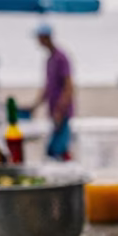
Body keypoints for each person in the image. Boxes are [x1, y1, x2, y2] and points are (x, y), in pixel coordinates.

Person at [30, 24, 74, 160]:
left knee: (57, 150)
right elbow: (48, 88)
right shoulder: (50, 59)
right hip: (53, 110)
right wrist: (34, 106)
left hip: (62, 112)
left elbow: (69, 86)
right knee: (54, 150)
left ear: (45, 37)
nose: (38, 41)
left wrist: (60, 110)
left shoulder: (61, 58)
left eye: (39, 37)